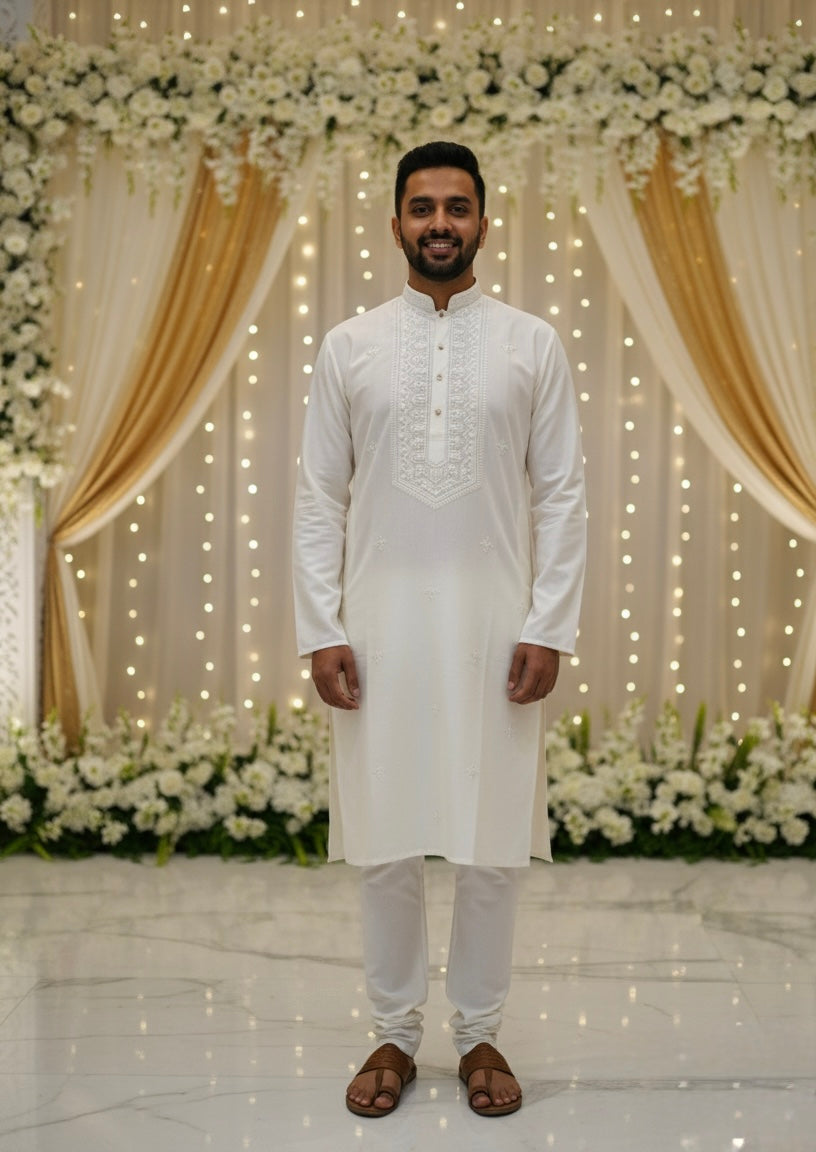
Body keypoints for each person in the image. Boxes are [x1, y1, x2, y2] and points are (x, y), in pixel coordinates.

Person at [293, 140, 586, 1118]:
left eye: (457, 207)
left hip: (497, 626)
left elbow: (562, 493)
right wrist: (320, 626)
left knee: (490, 839)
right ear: (395, 225)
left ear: (483, 224)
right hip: (376, 626)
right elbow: (317, 496)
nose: (439, 224)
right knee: (383, 837)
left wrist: (549, 623)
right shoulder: (350, 346)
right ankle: (390, 1030)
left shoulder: (532, 343)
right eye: (422, 208)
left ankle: (479, 1034)